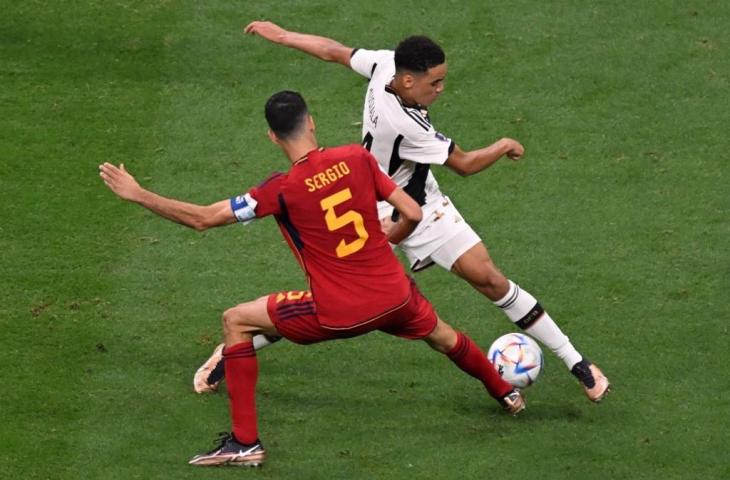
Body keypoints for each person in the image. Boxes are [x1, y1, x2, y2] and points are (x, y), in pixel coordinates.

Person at [99, 91, 525, 467]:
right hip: (396, 295)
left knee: (236, 320)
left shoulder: (279, 190)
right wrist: (386, 237)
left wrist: (138, 194)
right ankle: (505, 391)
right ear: (312, 121)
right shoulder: (357, 159)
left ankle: (245, 443)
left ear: (272, 136)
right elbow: (412, 213)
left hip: (338, 312)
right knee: (443, 336)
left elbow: (204, 219)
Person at [194, 22, 610, 402]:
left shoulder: (384, 66)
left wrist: (283, 36)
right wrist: (503, 145)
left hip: (420, 202)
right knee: (335, 301)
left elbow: (334, 51)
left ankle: (577, 364)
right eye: (436, 82)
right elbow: (464, 164)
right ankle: (232, 351)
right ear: (409, 80)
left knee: (490, 278)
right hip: (372, 209)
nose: (441, 90)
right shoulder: (407, 123)